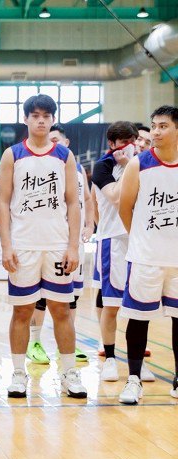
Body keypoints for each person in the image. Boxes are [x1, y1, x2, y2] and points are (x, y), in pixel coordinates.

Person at [0, 94, 85, 400]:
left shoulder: (64, 155)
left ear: (53, 120)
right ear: (26, 119)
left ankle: (69, 373)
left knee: (62, 310)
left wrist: (73, 246)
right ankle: (18, 373)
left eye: (46, 116)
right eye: (35, 116)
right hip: (23, 245)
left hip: (57, 244)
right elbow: (2, 202)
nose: (41, 121)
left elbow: (73, 203)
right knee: (22, 311)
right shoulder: (13, 154)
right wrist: (6, 245)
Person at [118, 105, 178, 404]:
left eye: (163, 126)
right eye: (153, 125)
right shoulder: (138, 164)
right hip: (146, 257)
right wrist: (141, 238)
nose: (155, 131)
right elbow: (124, 207)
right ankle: (133, 379)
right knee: (138, 319)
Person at [28, 124, 94, 364]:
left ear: (66, 143)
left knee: (71, 296)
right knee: (41, 296)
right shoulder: (40, 167)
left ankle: (66, 345)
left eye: (56, 140)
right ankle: (35, 343)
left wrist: (89, 225)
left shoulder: (78, 169)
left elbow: (87, 199)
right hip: (50, 238)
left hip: (74, 242)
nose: (52, 143)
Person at [89, 121, 145, 382]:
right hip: (112, 240)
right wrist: (127, 166)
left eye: (133, 141)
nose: (130, 146)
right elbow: (115, 197)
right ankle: (110, 358)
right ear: (112, 144)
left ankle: (137, 362)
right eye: (123, 142)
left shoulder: (144, 164)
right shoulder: (104, 166)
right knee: (111, 306)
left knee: (139, 307)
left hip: (139, 241)